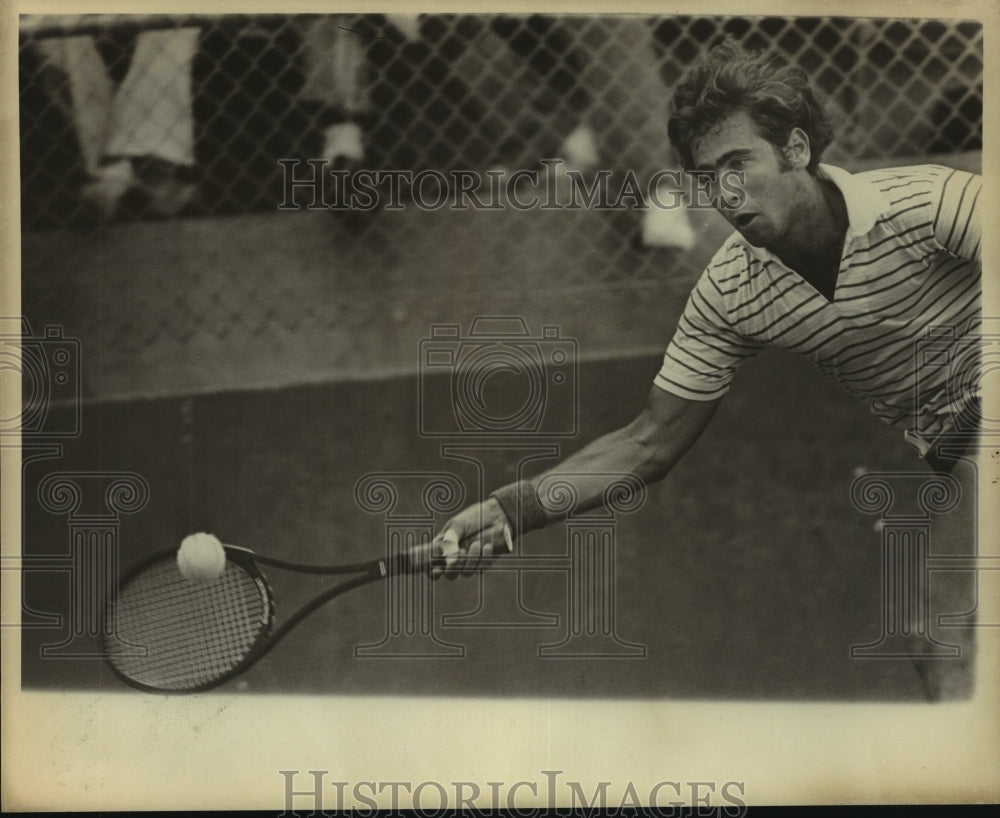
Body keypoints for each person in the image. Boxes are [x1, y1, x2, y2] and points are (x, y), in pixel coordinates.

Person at [412, 38, 983, 700]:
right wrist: (512, 509)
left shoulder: (929, 204)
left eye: (739, 162)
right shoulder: (731, 289)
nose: (724, 192)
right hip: (961, 461)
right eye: (707, 176)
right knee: (938, 645)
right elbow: (648, 442)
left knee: (954, 634)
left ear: (796, 150)